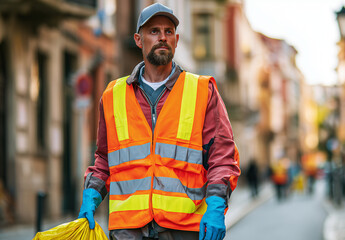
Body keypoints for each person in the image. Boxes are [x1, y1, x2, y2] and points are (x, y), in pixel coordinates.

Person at [77, 3, 240, 240]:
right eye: (154, 31)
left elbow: (222, 157)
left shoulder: (202, 91)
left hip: (182, 229)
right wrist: (91, 195)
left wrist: (216, 207)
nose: (162, 37)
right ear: (138, 40)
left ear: (176, 40)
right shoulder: (113, 95)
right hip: (127, 230)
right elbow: (104, 158)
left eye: (168, 31)